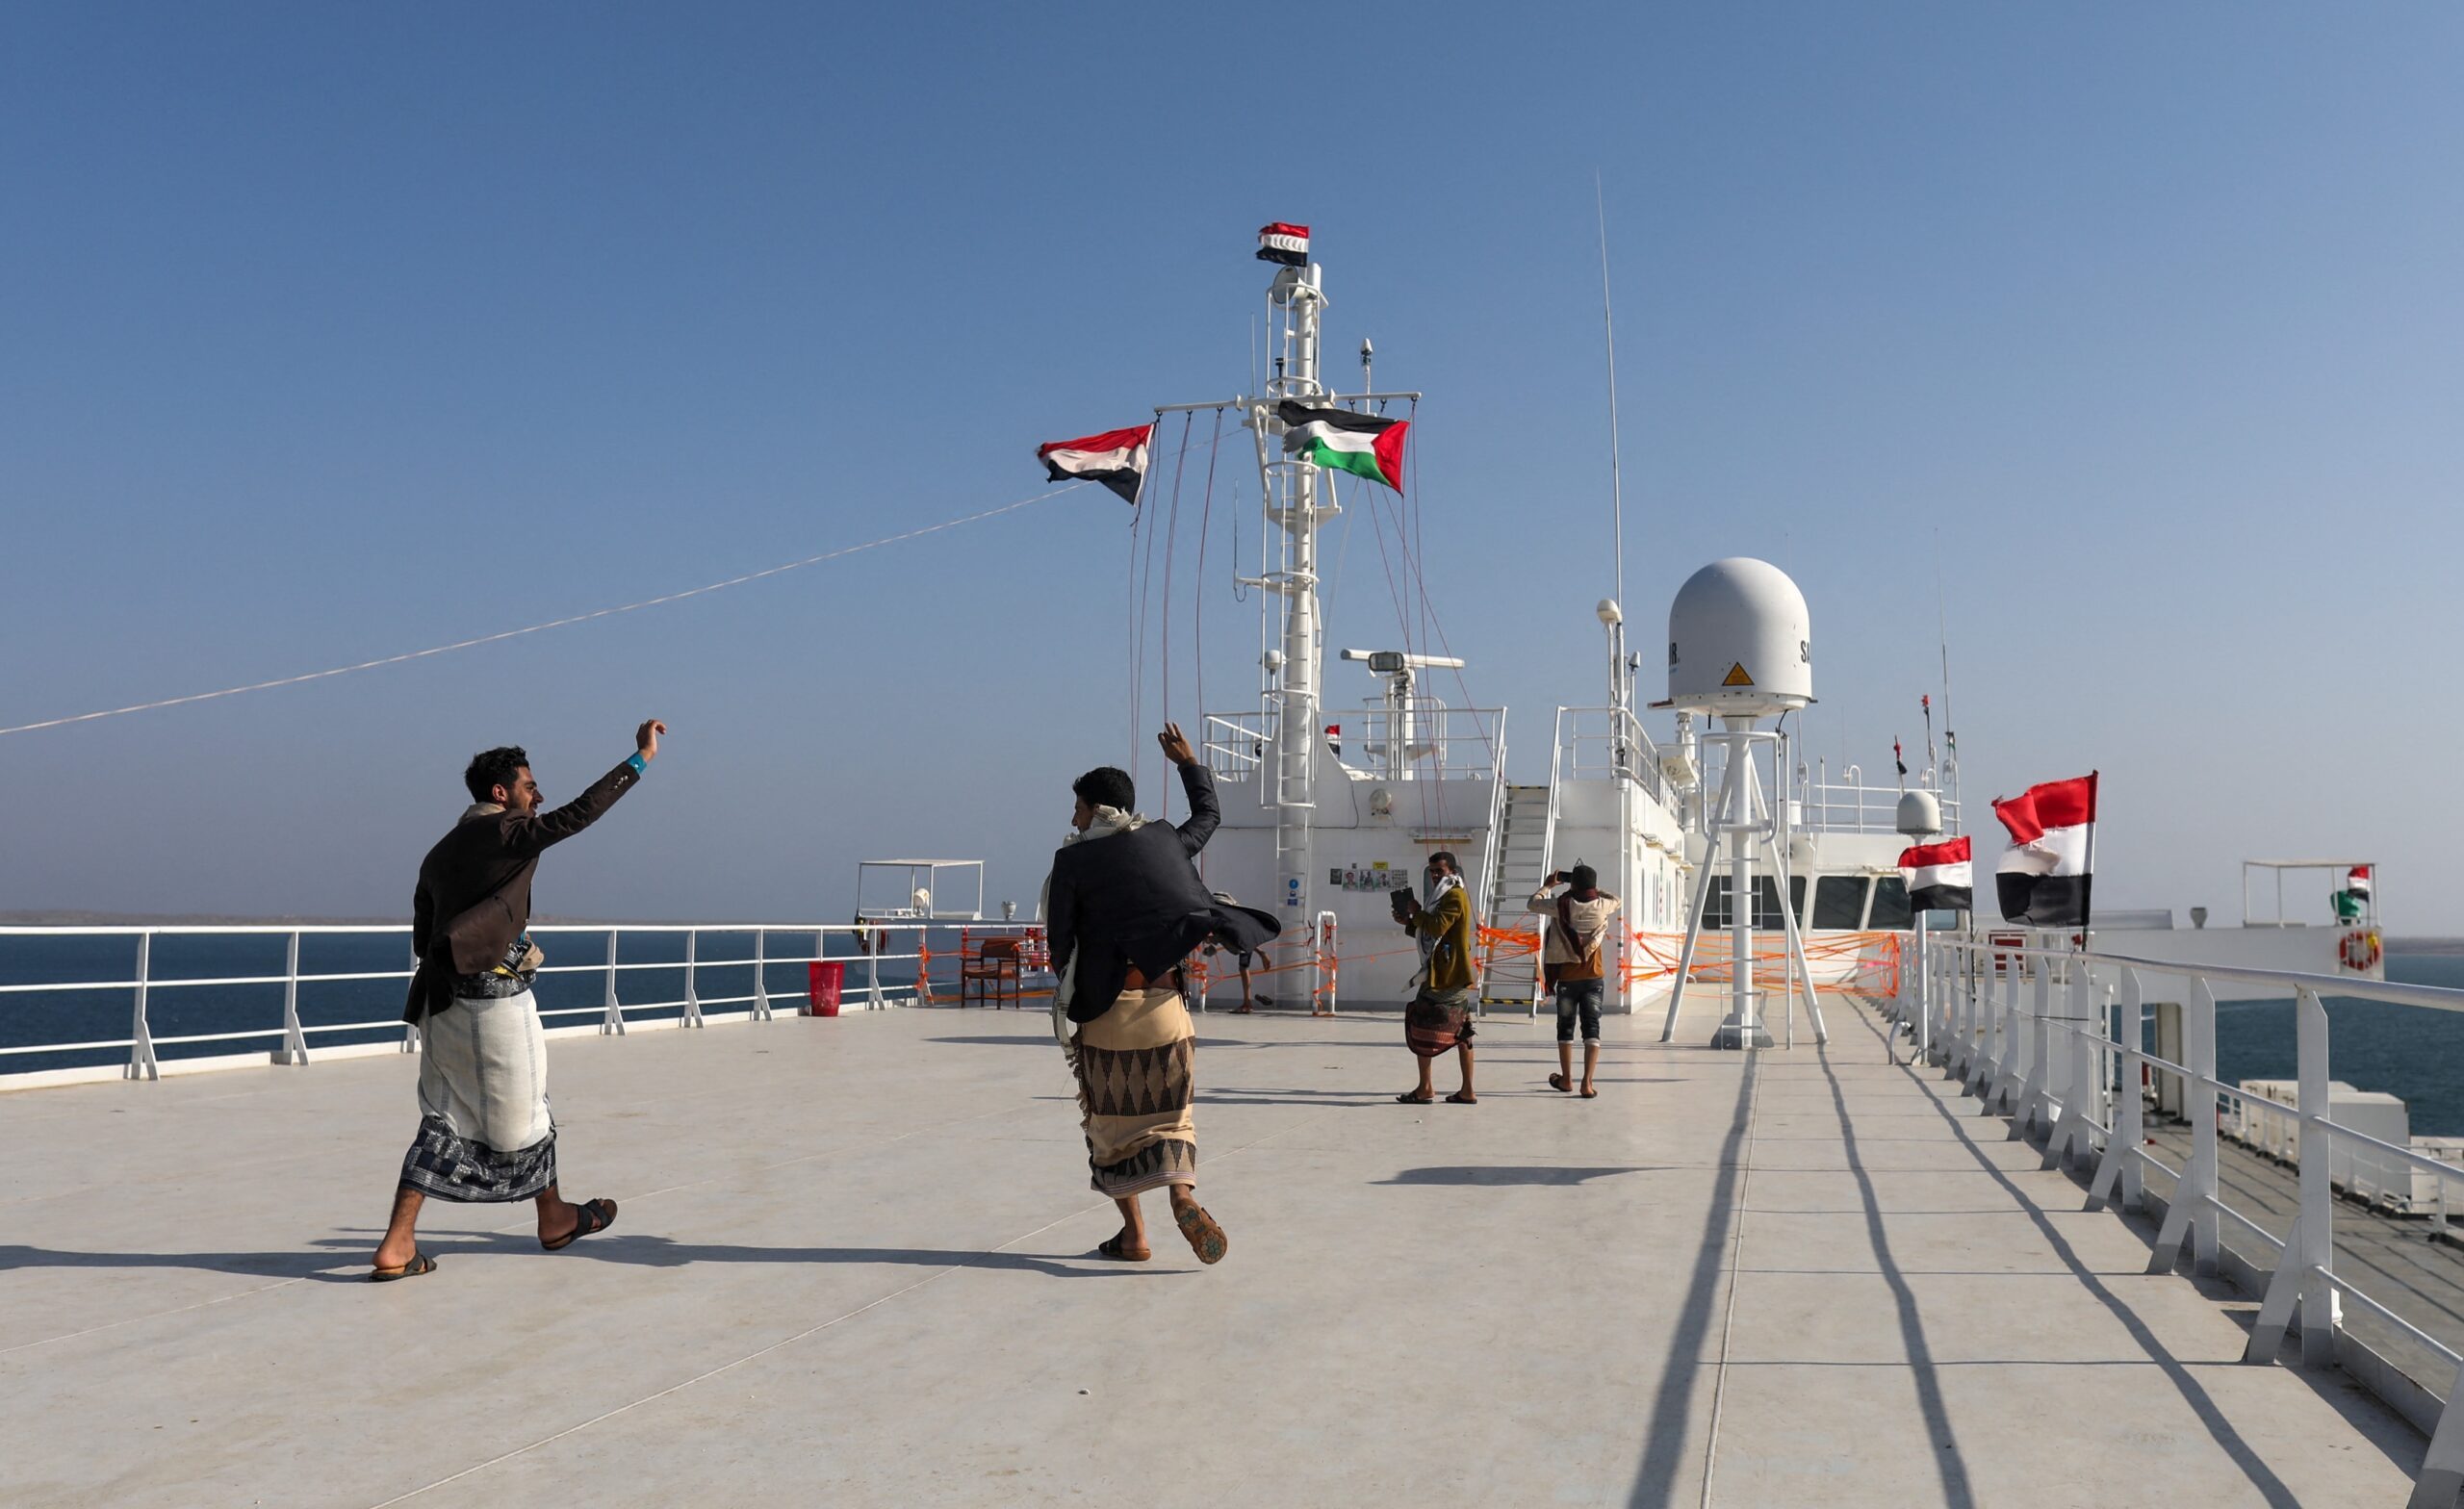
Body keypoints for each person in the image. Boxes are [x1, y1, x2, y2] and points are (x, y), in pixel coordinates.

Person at [369, 719, 666, 1281]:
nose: (539, 796)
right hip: (493, 1001)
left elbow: (421, 934)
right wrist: (641, 757)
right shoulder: (508, 831)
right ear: (501, 794)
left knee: (444, 1116)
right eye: (530, 787)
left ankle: (408, 1241)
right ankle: (546, 1221)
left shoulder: (438, 852)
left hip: (439, 1001)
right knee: (528, 1114)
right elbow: (580, 813)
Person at [1044, 724, 1277, 1265]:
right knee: (1171, 1118)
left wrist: (1073, 997)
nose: (1073, 819)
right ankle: (1182, 1194)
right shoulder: (1166, 838)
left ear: (1096, 810)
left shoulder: (1073, 862)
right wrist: (1188, 762)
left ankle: (1134, 1237)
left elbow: (1061, 945)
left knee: (1110, 1125)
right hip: (1168, 1012)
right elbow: (1209, 818)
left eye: (1078, 809)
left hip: (1109, 1013)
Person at [1394, 851, 1478, 1105]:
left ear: (1451, 872)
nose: (1434, 876)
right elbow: (1434, 937)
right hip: (1449, 974)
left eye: (1438, 871)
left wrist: (1417, 912)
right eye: (1431, 871)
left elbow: (1437, 927)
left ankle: (1426, 1087)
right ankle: (1466, 1089)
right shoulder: (1444, 896)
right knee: (1463, 1032)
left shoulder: (1453, 896)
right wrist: (1409, 924)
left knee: (1420, 1025)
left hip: (1445, 976)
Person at [1530, 863, 1620, 1098]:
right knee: (1592, 1028)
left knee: (1565, 1029)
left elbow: (1532, 903)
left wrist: (1548, 885)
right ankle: (1587, 1083)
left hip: (1568, 980)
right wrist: (1594, 889)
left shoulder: (1561, 906)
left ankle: (1567, 1079)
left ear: (1573, 885)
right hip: (1593, 978)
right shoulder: (1602, 906)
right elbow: (1617, 899)